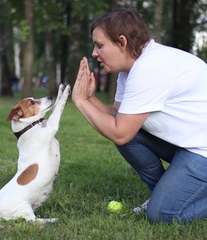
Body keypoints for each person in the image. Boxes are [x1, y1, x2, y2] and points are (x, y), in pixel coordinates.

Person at [72, 7, 207, 223]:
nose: (95, 53)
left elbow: (120, 133)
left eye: (100, 46)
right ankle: (163, 192)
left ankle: (166, 202)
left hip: (202, 150)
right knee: (129, 135)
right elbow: (118, 117)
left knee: (162, 215)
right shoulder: (131, 68)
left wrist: (79, 101)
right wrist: (90, 99)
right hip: (188, 143)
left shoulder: (148, 68)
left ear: (122, 42)